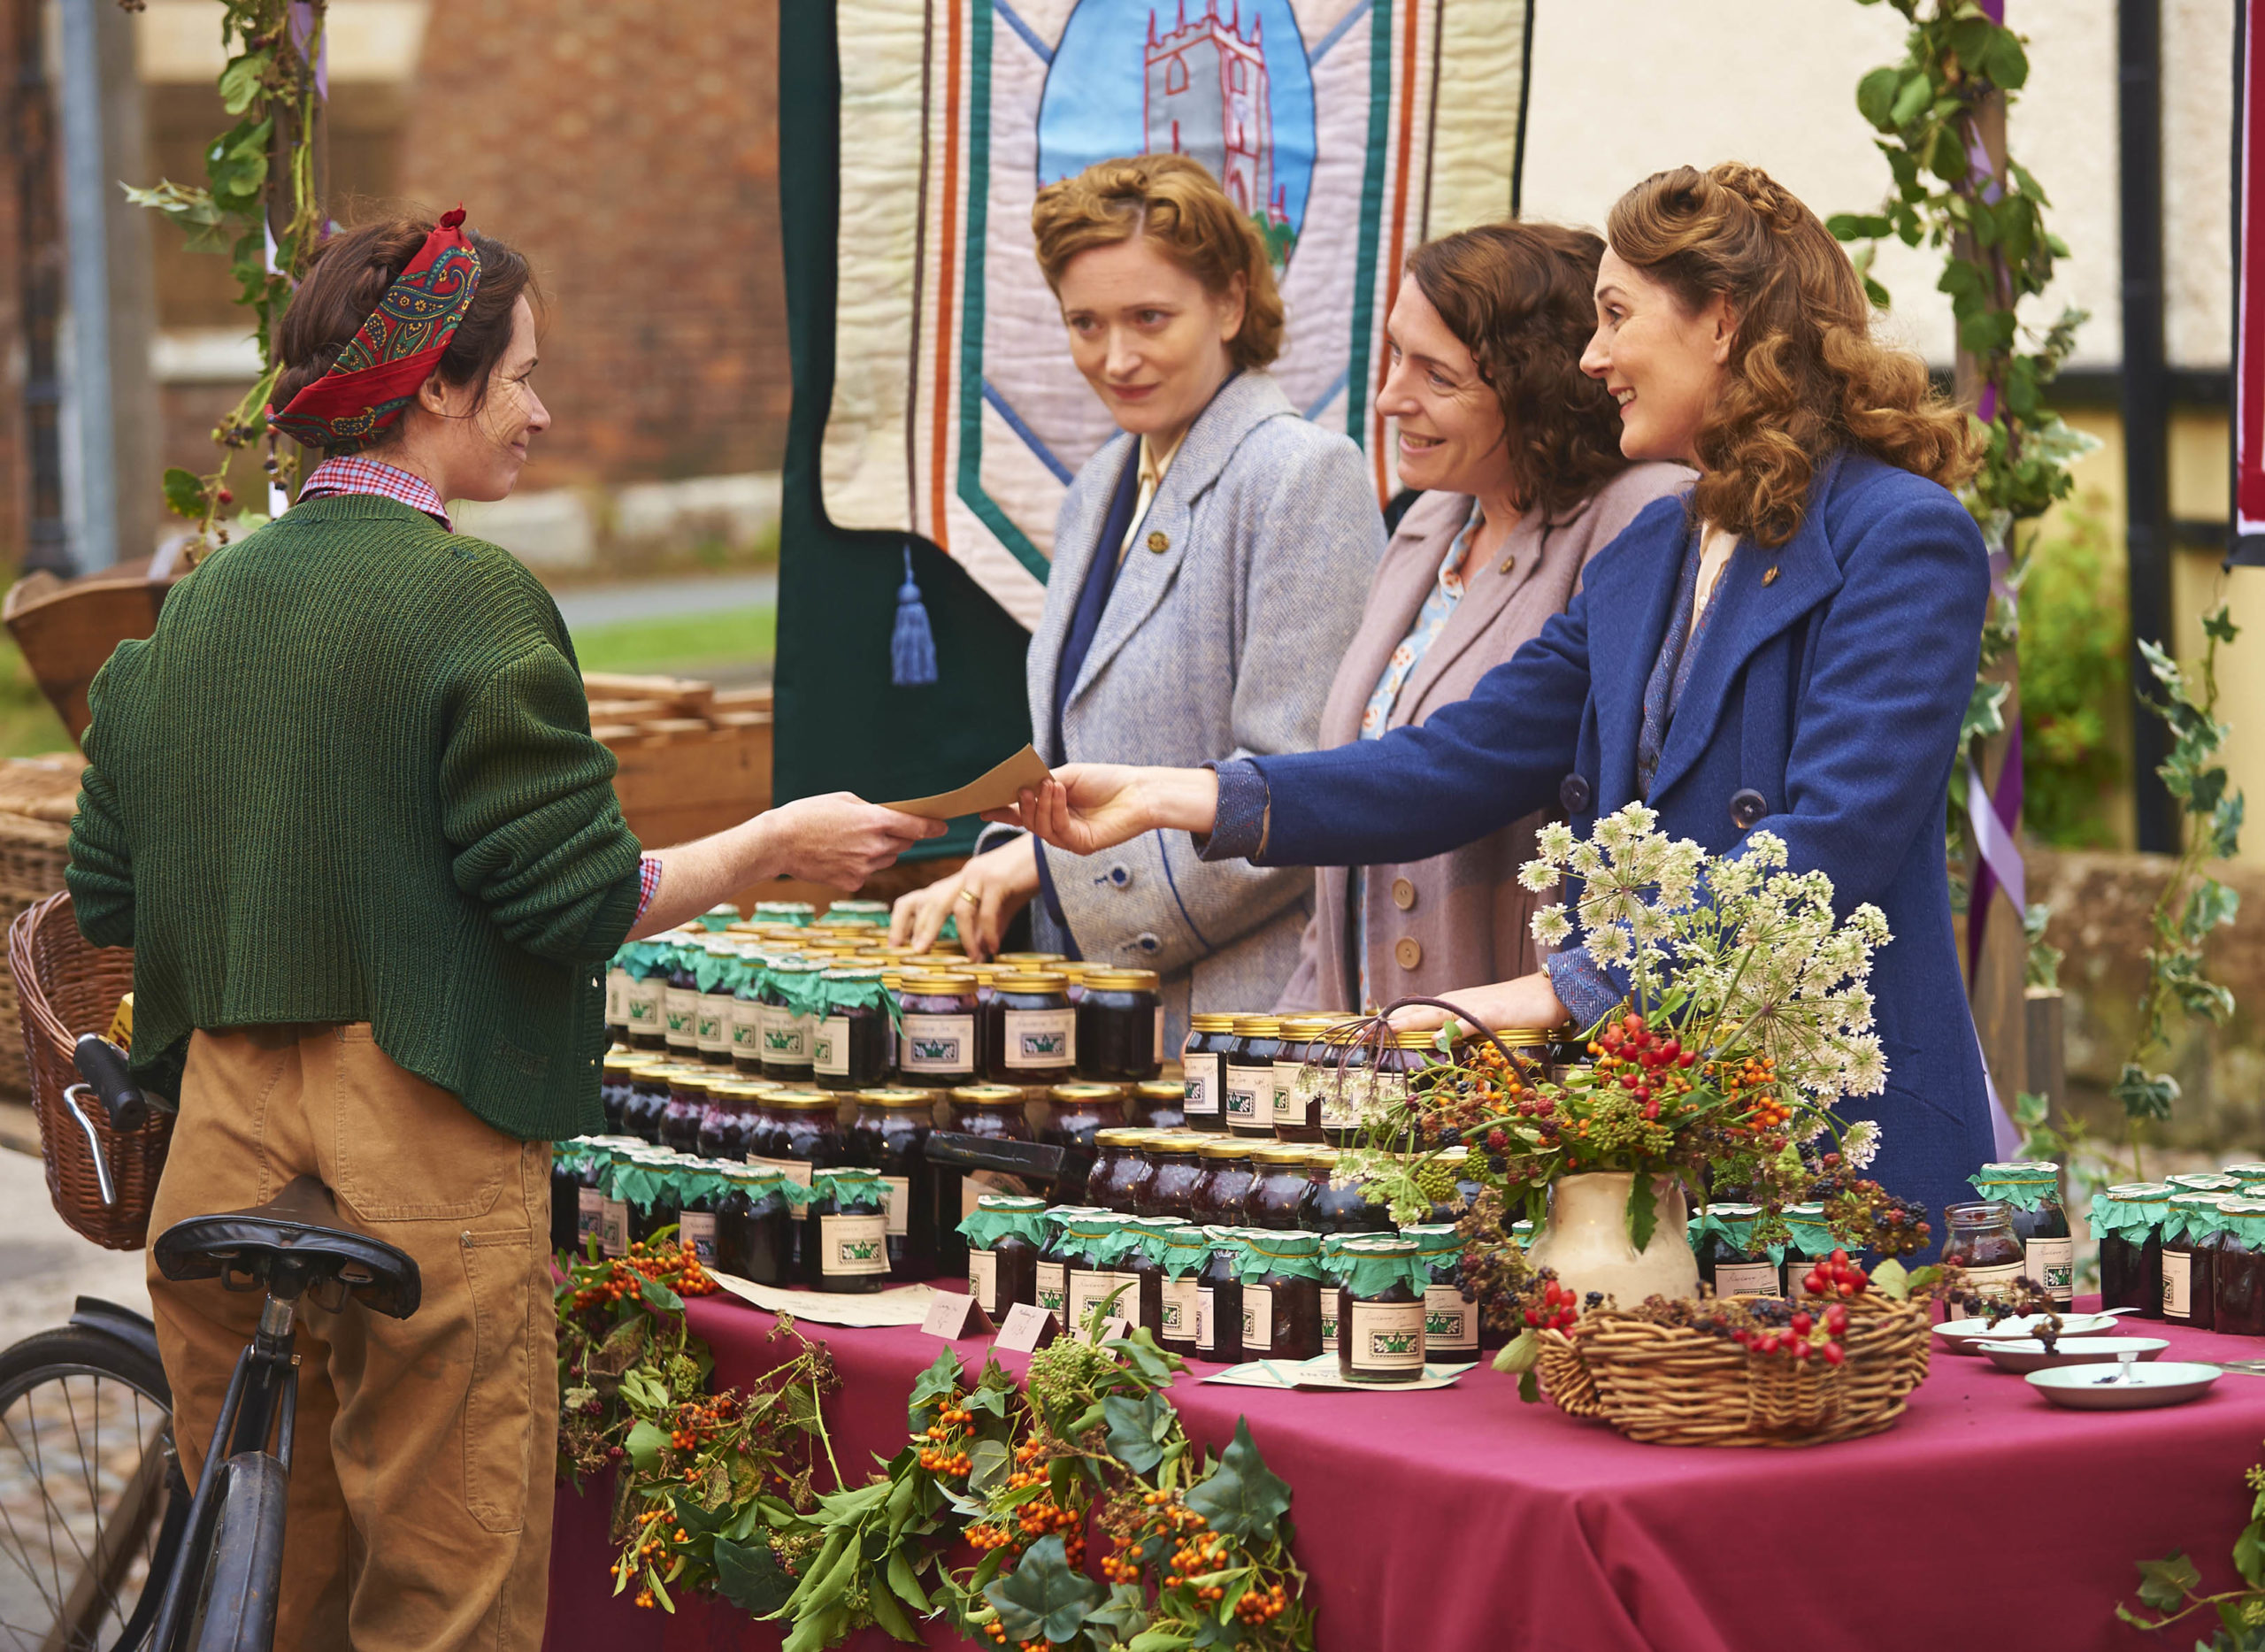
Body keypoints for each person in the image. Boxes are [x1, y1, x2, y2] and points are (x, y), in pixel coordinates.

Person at [65, 210, 941, 1652]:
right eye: (524, 376)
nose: (542, 410)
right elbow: (577, 898)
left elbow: (111, 891)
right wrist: (772, 844)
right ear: (437, 387)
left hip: (218, 1148)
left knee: (271, 1596)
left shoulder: (199, 608)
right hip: (418, 1138)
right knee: (443, 1600)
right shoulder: (474, 600)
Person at [998, 163, 1994, 1235]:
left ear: (1723, 322)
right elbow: (1450, 762)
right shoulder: (1652, 546)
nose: (1592, 355)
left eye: (1616, 316)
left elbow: (1826, 846)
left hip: (1842, 1143)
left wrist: (1564, 988)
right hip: (1657, 1132)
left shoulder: (1903, 537)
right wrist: (1178, 795)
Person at [890, 155, 1382, 1037]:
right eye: (1085, 322)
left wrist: (1044, 870)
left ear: (1230, 304)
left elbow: (1302, 793)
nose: (1115, 357)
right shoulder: (1100, 485)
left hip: (1243, 1024)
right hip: (1103, 1019)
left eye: (1149, 318)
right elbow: (1074, 753)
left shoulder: (1304, 474)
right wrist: (998, 862)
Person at [1276, 222, 1689, 1014]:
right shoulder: (1428, 524)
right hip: (1370, 1071)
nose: (1391, 397)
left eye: (1436, 375)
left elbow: (1451, 771)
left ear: (1538, 387)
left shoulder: (1641, 515)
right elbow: (1344, 880)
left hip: (1517, 1078)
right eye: (1397, 355)